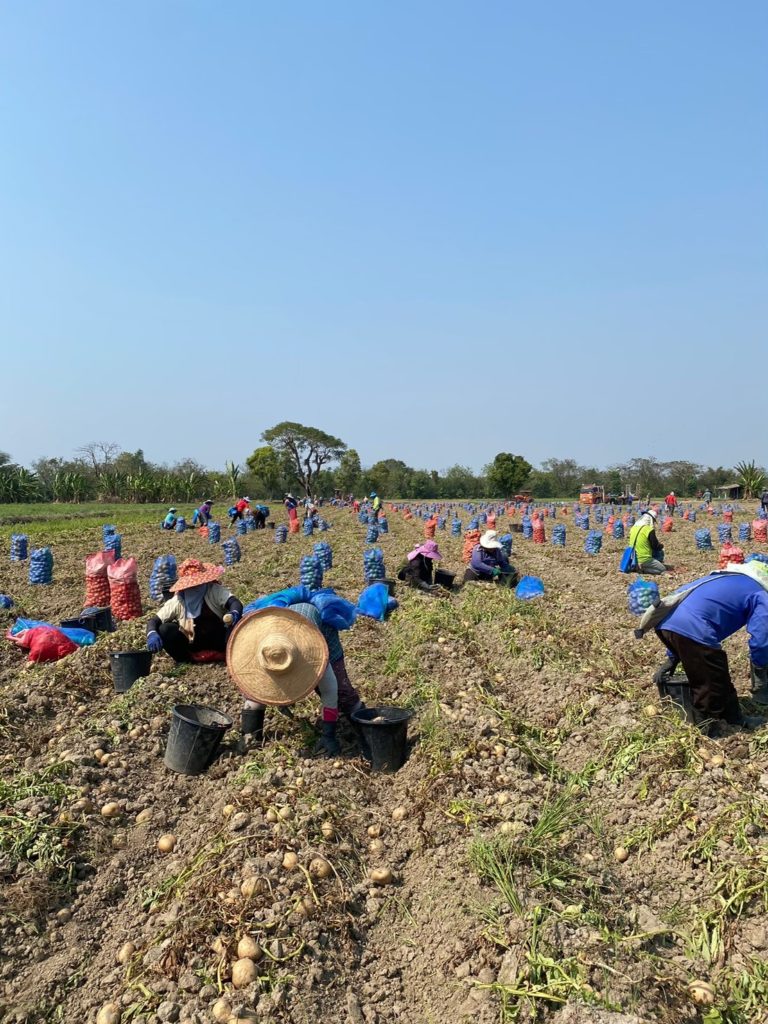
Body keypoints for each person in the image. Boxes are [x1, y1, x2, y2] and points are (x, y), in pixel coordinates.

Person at [652, 561, 768, 730]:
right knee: (710, 684)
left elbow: (685, 606)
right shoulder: (760, 592)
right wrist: (760, 666)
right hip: (693, 627)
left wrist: (673, 654)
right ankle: (707, 727)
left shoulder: (726, 578)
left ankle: (734, 719)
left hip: (665, 624)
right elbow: (762, 636)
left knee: (716, 672)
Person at [235, 604, 344, 756]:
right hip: (276, 626)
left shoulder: (314, 654)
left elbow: (331, 691)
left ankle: (353, 712)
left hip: (318, 624)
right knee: (256, 696)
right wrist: (249, 734)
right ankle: (252, 736)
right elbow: (253, 693)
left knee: (344, 691)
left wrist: (329, 735)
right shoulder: (261, 646)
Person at [146, 559, 243, 662]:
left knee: (237, 625)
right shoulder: (178, 601)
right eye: (192, 586)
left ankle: (228, 653)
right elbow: (154, 621)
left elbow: (234, 602)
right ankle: (188, 658)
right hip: (193, 642)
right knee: (165, 630)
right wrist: (152, 633)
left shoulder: (213, 590)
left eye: (198, 584)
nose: (196, 587)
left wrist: (234, 613)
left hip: (219, 639)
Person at [628, 509, 667, 575]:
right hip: (644, 558)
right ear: (651, 520)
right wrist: (661, 546)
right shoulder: (649, 530)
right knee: (662, 569)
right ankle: (643, 568)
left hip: (633, 557)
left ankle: (637, 565)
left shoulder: (633, 528)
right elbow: (655, 546)